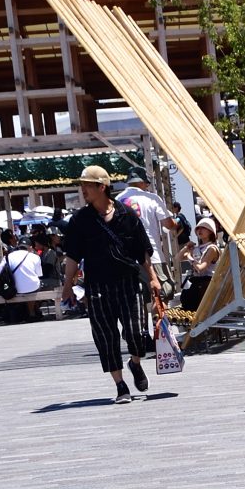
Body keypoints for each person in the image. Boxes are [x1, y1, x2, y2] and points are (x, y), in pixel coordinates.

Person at [61, 164, 162, 403]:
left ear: (101, 187)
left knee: (137, 333)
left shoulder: (127, 215)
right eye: (82, 185)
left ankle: (135, 363)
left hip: (128, 282)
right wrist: (67, 286)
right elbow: (73, 256)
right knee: (105, 337)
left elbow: (142, 251)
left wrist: (153, 278)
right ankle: (120, 386)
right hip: (97, 286)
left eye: (87, 185)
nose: (83, 189)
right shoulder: (80, 220)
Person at [178, 218, 224, 312]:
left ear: (211, 231)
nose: (200, 230)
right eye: (198, 228)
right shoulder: (197, 248)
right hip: (198, 285)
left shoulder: (212, 248)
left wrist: (190, 258)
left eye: (204, 228)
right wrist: (186, 247)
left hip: (207, 285)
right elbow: (178, 258)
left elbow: (201, 268)